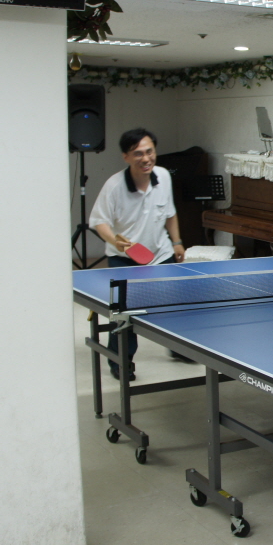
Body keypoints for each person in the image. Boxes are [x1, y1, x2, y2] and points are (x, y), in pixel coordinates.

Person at [90, 127, 187, 380]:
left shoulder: (163, 176)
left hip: (160, 252)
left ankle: (179, 347)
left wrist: (177, 242)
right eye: (138, 153)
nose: (146, 158)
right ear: (126, 157)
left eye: (149, 151)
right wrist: (117, 241)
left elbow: (170, 213)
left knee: (175, 303)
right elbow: (99, 221)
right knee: (124, 313)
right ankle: (120, 361)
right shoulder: (114, 186)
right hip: (124, 258)